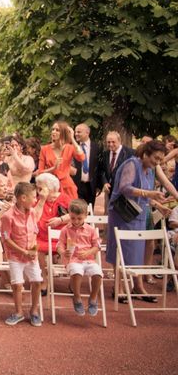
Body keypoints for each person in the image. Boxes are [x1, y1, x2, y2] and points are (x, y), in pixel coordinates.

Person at [106, 140, 167, 302]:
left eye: (160, 160)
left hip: (138, 214)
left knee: (137, 251)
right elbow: (125, 188)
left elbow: (146, 196)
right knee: (121, 250)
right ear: (146, 154)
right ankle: (117, 287)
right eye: (156, 158)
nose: (157, 162)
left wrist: (159, 205)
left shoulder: (150, 170)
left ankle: (138, 286)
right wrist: (149, 195)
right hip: (122, 214)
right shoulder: (132, 164)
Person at [0, 182, 43, 327]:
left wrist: (33, 248)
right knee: (17, 285)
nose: (35, 200)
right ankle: (18, 312)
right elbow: (6, 238)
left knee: (37, 281)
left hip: (31, 255)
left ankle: (34, 311)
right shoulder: (8, 216)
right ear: (23, 198)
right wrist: (23, 251)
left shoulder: (32, 213)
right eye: (33, 197)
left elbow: (35, 231)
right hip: (15, 256)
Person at [57, 199, 103, 316]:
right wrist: (63, 252)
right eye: (72, 218)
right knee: (77, 272)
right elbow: (59, 245)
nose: (76, 221)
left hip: (88, 260)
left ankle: (93, 298)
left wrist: (88, 252)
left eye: (79, 218)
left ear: (85, 216)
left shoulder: (91, 230)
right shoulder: (65, 230)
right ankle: (77, 297)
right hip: (73, 260)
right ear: (69, 215)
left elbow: (97, 246)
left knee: (98, 273)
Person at [34, 172, 71, 296]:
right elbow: (34, 216)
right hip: (42, 237)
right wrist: (42, 200)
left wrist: (60, 220)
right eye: (37, 188)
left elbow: (77, 214)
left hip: (61, 238)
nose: (38, 191)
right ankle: (44, 280)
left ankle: (74, 279)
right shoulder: (39, 200)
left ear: (50, 187)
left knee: (72, 249)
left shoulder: (64, 199)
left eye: (41, 188)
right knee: (36, 249)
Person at [36, 120, 84, 200]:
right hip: (50, 187)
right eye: (53, 129)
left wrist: (72, 138)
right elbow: (40, 172)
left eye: (57, 130)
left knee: (71, 210)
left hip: (67, 187)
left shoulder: (70, 147)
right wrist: (53, 168)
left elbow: (82, 157)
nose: (53, 132)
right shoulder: (45, 149)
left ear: (63, 133)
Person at [71, 123, 102, 207]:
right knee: (76, 209)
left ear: (87, 133)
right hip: (76, 184)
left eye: (79, 132)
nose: (76, 134)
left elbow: (99, 167)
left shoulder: (97, 147)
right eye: (75, 132)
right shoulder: (72, 147)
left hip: (91, 186)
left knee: (89, 211)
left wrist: (99, 185)